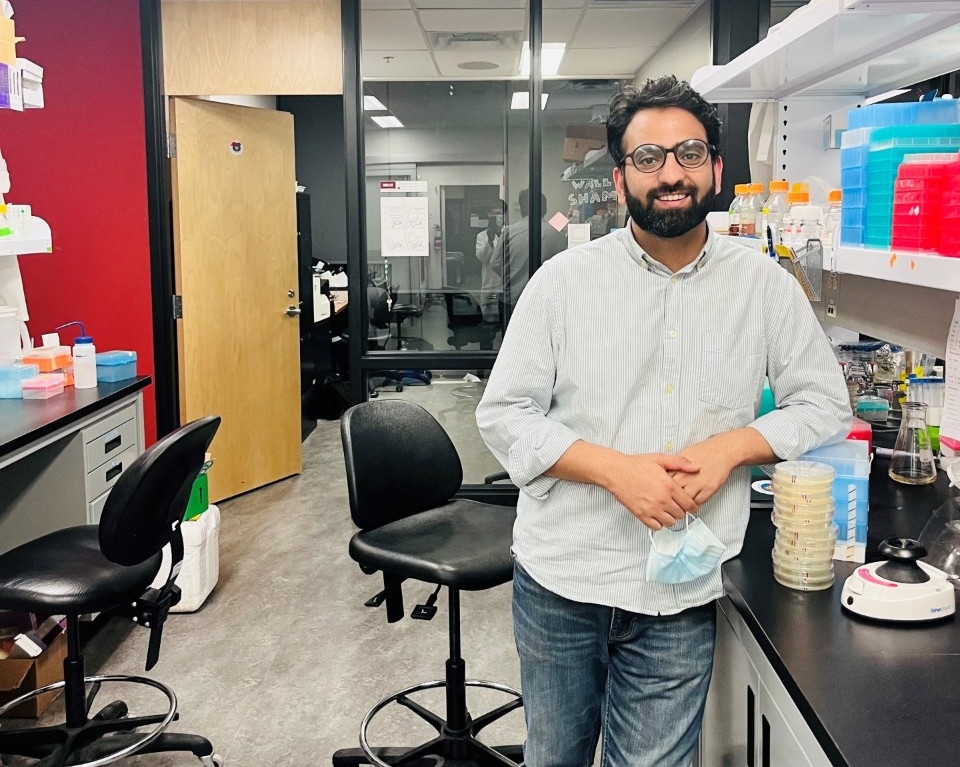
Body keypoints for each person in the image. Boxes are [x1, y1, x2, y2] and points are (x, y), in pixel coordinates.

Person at [475, 75, 851, 767]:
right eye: (648, 159)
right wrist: (616, 471)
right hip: (566, 577)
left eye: (688, 152)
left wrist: (733, 448)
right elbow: (504, 415)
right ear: (620, 181)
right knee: (553, 756)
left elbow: (825, 402)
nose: (671, 173)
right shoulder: (562, 285)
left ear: (717, 168)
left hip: (683, 589)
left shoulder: (764, 286)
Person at [492, 189, 566, 315]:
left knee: (511, 334)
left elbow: (495, 263)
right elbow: (562, 269)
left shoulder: (509, 232)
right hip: (542, 301)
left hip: (512, 298)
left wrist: (514, 275)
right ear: (545, 209)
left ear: (521, 209)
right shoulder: (557, 235)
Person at [475, 200, 506, 322]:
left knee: (504, 320)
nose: (498, 216)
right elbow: (482, 258)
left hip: (504, 284)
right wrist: (490, 240)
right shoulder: (482, 236)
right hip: (489, 283)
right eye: (495, 213)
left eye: (500, 212)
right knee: (487, 321)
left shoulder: (509, 233)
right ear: (489, 215)